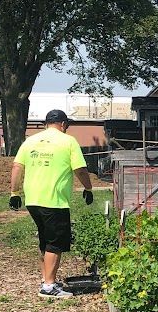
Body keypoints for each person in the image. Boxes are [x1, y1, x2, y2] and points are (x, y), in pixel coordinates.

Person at [9, 109, 94, 299]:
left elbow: (16, 166)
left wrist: (14, 193)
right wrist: (88, 188)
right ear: (63, 124)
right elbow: (80, 169)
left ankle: (46, 279)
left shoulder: (30, 141)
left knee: (45, 241)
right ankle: (49, 287)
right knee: (55, 243)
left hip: (33, 200)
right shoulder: (68, 141)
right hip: (55, 200)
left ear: (46, 123)